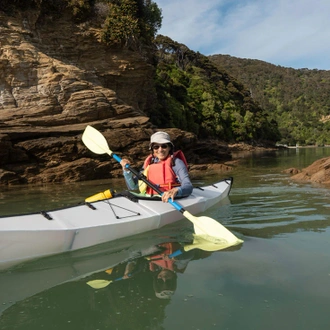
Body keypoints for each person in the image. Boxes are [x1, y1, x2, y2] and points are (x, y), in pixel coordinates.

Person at [120, 131, 193, 202]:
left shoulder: (176, 163)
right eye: (156, 147)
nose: (160, 150)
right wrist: (126, 171)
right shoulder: (149, 163)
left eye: (164, 146)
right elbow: (133, 186)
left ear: (169, 148)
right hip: (150, 199)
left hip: (170, 199)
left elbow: (188, 186)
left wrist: (176, 190)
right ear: (152, 149)